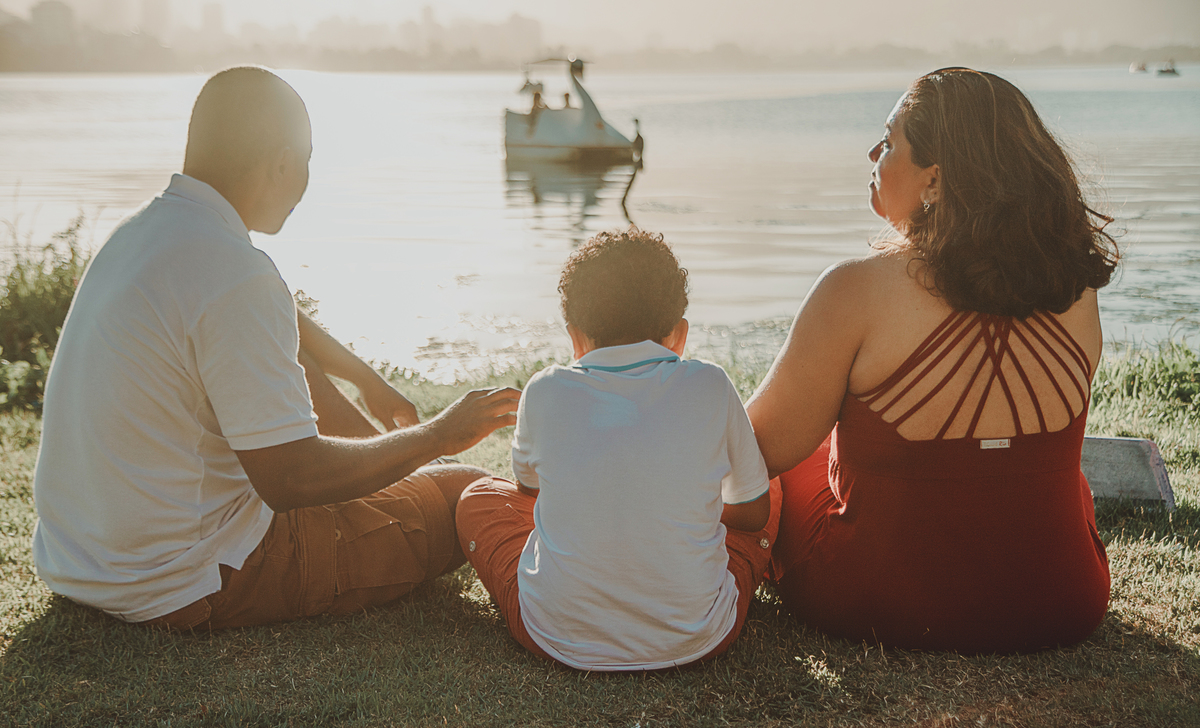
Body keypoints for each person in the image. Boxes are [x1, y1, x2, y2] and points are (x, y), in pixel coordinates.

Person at [32, 66, 520, 631]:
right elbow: (291, 481)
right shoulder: (236, 272)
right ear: (284, 162)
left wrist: (362, 375)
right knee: (467, 490)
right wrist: (438, 434)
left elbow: (278, 315)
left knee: (326, 395)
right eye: (307, 162)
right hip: (186, 577)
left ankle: (396, 471)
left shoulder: (146, 233)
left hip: (81, 561)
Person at [746, 67, 1119, 654]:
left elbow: (755, 448)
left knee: (798, 460)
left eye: (890, 141)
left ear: (936, 181)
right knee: (1049, 470)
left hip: (875, 602)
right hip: (1062, 603)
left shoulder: (855, 289)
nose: (873, 151)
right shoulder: (1074, 285)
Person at [456, 229, 781, 670]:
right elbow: (754, 514)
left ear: (575, 337)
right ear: (679, 335)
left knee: (477, 500)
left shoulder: (544, 391)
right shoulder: (711, 384)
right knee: (772, 487)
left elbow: (529, 493)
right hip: (699, 636)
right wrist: (682, 506)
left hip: (554, 636)